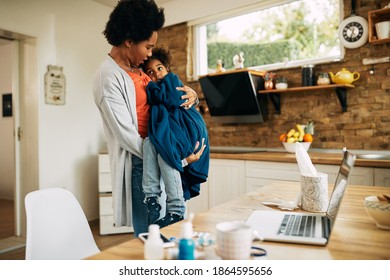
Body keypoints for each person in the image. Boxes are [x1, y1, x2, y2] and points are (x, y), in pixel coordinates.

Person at [93, 0, 205, 236]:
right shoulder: (108, 77)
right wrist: (175, 157)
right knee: (151, 236)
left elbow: (169, 97)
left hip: (161, 152)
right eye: (148, 46)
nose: (151, 53)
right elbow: (127, 137)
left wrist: (192, 97)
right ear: (129, 41)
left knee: (168, 230)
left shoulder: (141, 68)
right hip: (143, 162)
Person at [141, 47, 209, 228]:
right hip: (177, 130)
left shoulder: (171, 81)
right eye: (151, 72)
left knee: (165, 147)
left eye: (159, 68)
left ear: (167, 69)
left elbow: (172, 98)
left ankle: (176, 210)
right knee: (149, 142)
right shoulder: (155, 89)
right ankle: (152, 199)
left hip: (189, 130)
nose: (157, 74)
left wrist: (151, 87)